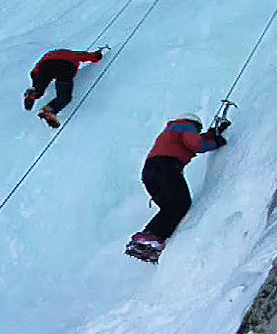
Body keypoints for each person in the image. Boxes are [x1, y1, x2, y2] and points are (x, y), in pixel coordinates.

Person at [125, 113, 230, 262]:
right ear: (194, 124)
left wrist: (211, 135)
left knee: (171, 208)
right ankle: (150, 237)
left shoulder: (172, 131)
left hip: (150, 173)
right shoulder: (186, 125)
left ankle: (148, 240)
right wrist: (216, 142)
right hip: (166, 168)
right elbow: (196, 144)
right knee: (181, 204)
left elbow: (194, 140)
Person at [23, 48, 103, 128]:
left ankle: (34, 92)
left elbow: (34, 71)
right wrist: (98, 55)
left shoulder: (49, 54)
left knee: (39, 88)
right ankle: (50, 110)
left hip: (46, 65)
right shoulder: (73, 54)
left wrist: (35, 84)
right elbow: (88, 56)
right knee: (64, 97)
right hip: (65, 67)